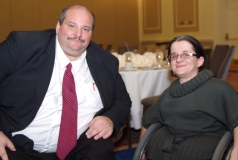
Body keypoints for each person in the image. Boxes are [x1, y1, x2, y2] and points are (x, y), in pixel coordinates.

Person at [0, 5, 131, 160]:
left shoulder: (106, 62)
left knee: (100, 148)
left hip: (79, 148)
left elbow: (122, 101)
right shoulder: (22, 46)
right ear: (58, 26)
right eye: (71, 26)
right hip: (17, 145)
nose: (78, 34)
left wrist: (110, 119)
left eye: (86, 29)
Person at [140, 35, 238, 160]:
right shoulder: (169, 92)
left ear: (200, 61)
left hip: (200, 151)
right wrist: (142, 152)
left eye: (186, 54)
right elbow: (147, 120)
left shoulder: (219, 88)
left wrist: (236, 152)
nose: (179, 59)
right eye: (174, 56)